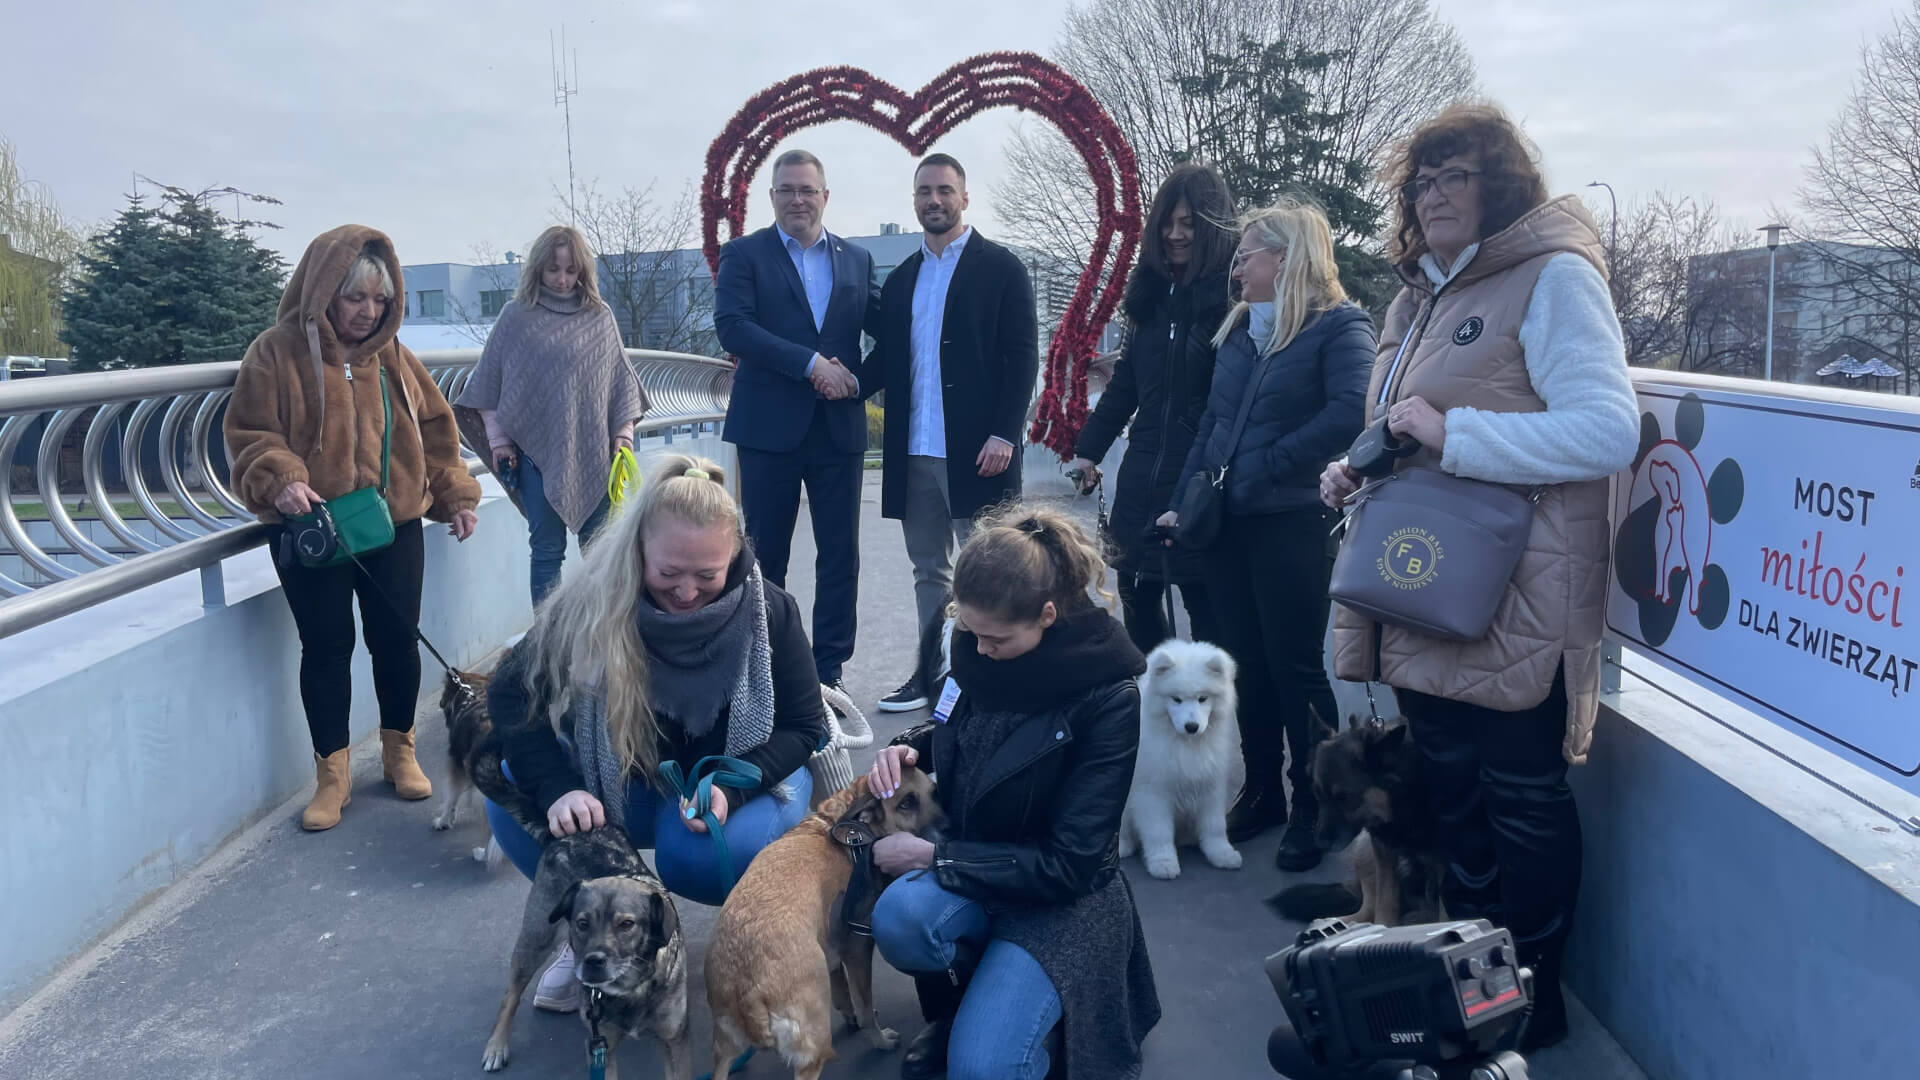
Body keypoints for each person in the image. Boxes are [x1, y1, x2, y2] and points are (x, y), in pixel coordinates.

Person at [1320, 103, 1639, 1050]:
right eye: (1421, 181)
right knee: (1453, 798)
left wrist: (1452, 433)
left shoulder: (1554, 277)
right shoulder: (1415, 299)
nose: (1432, 195)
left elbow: (1607, 431)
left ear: (1500, 186)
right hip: (1428, 586)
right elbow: (1405, 430)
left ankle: (1531, 1005)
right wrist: (1358, 465)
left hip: (1517, 597)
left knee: (1522, 805)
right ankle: (1475, 989)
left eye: (1453, 176)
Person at [483, 455, 825, 1013]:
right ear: (639, 550)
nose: (687, 592)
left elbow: (805, 726)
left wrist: (733, 787)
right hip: (628, 781)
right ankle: (588, 927)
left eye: (707, 576)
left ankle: (762, 934)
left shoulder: (770, 612)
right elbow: (508, 693)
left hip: (738, 779)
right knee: (511, 797)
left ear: (735, 556)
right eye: (669, 574)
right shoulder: (591, 603)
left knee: (695, 858)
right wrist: (558, 789)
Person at [866, 504, 1159, 1080]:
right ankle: (961, 1008)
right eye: (969, 632)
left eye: (993, 638)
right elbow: (954, 725)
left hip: (1062, 900)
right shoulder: (977, 645)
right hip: (980, 864)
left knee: (983, 1068)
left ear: (1047, 615)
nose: (978, 650)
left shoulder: (1109, 695)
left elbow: (1071, 864)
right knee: (899, 918)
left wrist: (935, 858)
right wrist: (907, 748)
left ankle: (1043, 1015)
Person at [225, 225, 482, 832]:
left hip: (393, 524)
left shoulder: (393, 358)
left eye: (380, 300)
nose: (368, 312)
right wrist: (282, 478)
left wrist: (454, 493)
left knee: (397, 641)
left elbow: (437, 427)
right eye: (355, 297)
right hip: (310, 527)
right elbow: (249, 431)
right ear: (323, 292)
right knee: (326, 648)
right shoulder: (274, 352)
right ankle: (332, 776)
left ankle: (400, 752)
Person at [1156, 196, 1375, 870]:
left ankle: (1315, 806)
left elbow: (1353, 409)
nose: (1237, 267)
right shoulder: (1242, 330)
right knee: (1243, 666)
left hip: (1293, 521)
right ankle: (1262, 794)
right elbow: (1213, 426)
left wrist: (1270, 463)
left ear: (1286, 257)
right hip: (1230, 524)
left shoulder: (1340, 326)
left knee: (1295, 668)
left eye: (1247, 254)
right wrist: (1182, 501)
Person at [862, 153, 1040, 713]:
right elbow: (887, 359)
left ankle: (996, 678)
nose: (934, 200)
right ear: (914, 200)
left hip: (979, 452)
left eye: (944, 190)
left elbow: (1023, 356)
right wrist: (838, 381)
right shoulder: (902, 280)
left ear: (965, 198)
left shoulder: (1001, 268)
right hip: (914, 450)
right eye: (924, 192)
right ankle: (933, 675)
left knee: (994, 571)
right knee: (928, 572)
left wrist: (1005, 433)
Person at [713, 148, 880, 695]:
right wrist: (812, 366)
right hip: (768, 429)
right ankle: (767, 669)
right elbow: (733, 327)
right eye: (786, 190)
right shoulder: (744, 254)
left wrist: (857, 381)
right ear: (772, 197)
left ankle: (829, 673)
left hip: (838, 428)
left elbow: (890, 333)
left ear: (825, 196)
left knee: (840, 556)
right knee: (763, 556)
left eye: (807, 190)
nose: (797, 199)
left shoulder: (857, 259)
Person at [1068, 163, 1236, 652]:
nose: (1175, 234)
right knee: (1136, 595)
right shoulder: (1148, 300)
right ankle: (1159, 687)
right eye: (1167, 223)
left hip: (1204, 478)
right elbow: (1125, 386)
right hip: (1142, 473)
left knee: (1207, 609)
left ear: (1212, 227)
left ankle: (1212, 700)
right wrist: (1088, 452)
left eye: (1188, 224)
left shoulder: (1234, 301)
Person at [455, 225, 648, 606]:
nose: (562, 279)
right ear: (538, 269)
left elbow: (620, 384)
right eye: (553, 269)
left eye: (571, 270)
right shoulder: (516, 316)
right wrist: (498, 441)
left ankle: (602, 632)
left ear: (583, 271)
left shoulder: (599, 316)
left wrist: (623, 434)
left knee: (602, 554)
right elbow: (487, 386)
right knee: (546, 552)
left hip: (596, 456)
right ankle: (548, 635)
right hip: (533, 458)